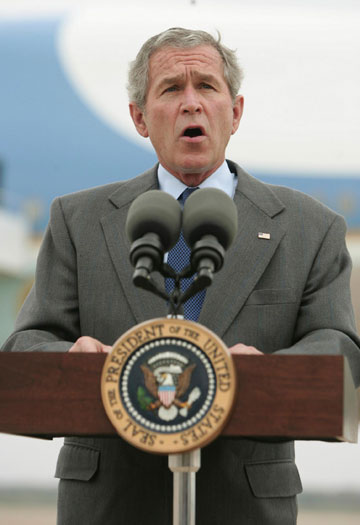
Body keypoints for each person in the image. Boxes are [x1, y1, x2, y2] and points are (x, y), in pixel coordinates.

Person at [2, 27, 360, 525]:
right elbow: (25, 345)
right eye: (171, 88)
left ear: (235, 112)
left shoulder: (309, 227)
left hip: (243, 506)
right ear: (140, 118)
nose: (191, 103)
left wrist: (268, 367)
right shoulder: (78, 221)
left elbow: (340, 347)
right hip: (110, 504)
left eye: (207, 87)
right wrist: (69, 358)